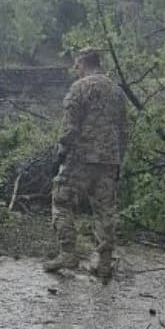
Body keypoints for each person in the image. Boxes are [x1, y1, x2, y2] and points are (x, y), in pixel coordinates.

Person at [45, 47, 128, 282]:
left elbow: (70, 127)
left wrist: (60, 154)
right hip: (109, 160)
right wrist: (119, 159)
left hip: (80, 158)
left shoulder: (79, 88)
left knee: (61, 201)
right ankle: (103, 263)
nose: (76, 70)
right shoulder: (117, 91)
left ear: (82, 63)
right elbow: (124, 131)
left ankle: (68, 253)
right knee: (105, 210)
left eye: (77, 65)